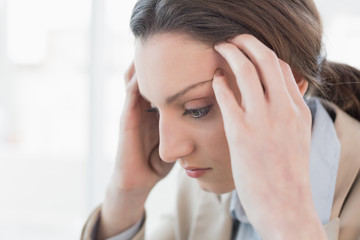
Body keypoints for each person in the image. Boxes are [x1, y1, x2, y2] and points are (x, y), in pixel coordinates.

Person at [81, 0, 360, 239]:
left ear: (292, 81)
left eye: (197, 109)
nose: (167, 152)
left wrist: (289, 224)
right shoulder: (201, 195)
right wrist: (125, 194)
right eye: (153, 108)